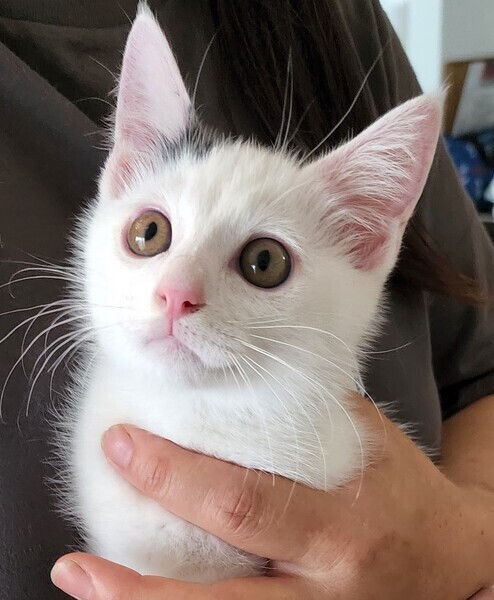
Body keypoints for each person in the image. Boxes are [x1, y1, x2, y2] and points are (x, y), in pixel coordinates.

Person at [0, 1, 493, 598]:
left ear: (363, 244)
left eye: (263, 262)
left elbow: (483, 372)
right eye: (150, 234)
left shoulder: (337, 19)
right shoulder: (104, 412)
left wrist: (459, 548)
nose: (178, 290)